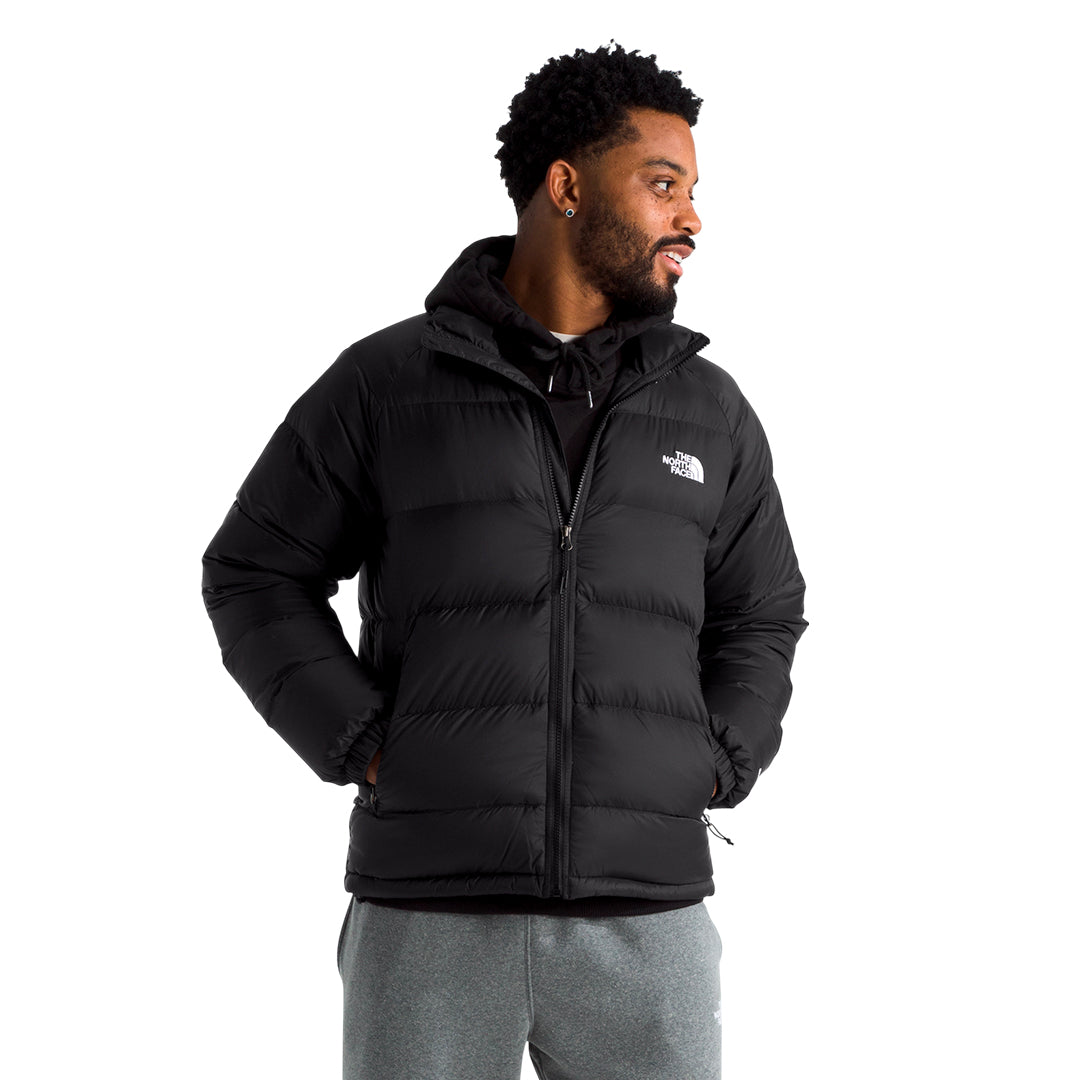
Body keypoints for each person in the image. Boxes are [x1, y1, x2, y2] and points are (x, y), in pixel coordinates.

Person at [201, 40, 808, 1080]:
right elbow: (254, 571)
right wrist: (364, 741)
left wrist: (717, 756)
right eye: (663, 185)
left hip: (648, 913)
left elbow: (764, 610)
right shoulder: (389, 384)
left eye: (693, 192)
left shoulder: (709, 411)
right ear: (566, 187)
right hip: (429, 912)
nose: (692, 219)